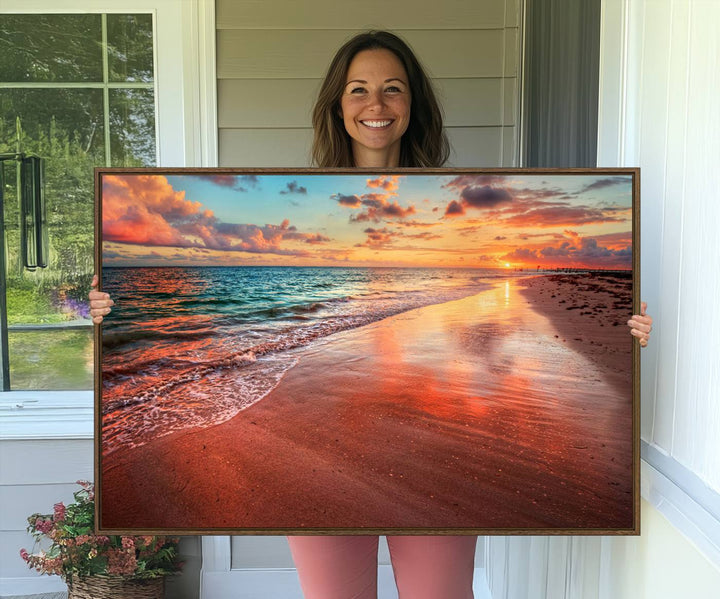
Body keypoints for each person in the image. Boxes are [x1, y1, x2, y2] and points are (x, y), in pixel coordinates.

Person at [89, 30, 653, 599]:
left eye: (392, 89)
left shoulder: (458, 195)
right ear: (338, 104)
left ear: (413, 105)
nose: (376, 105)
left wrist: (625, 325)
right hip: (322, 437)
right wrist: (108, 307)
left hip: (433, 439)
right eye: (358, 90)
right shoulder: (313, 197)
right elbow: (204, 320)